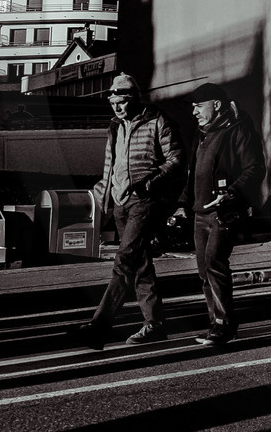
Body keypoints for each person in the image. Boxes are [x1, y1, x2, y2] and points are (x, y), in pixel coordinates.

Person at [70, 73, 186, 348]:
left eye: (121, 102)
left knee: (123, 263)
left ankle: (99, 326)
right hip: (120, 203)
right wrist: (100, 198)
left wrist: (150, 184)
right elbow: (110, 169)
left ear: (133, 98)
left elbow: (177, 159)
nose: (117, 107)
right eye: (113, 102)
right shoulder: (114, 127)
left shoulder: (158, 121)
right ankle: (155, 324)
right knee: (141, 265)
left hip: (144, 202)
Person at [180, 82, 266, 346]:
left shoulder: (237, 130)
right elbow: (193, 173)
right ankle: (216, 322)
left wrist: (231, 194)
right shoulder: (203, 133)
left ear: (216, 105)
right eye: (193, 107)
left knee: (215, 265)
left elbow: (254, 168)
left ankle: (224, 324)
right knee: (205, 272)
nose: (194, 112)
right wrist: (184, 203)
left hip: (223, 212)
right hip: (200, 213)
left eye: (199, 106)